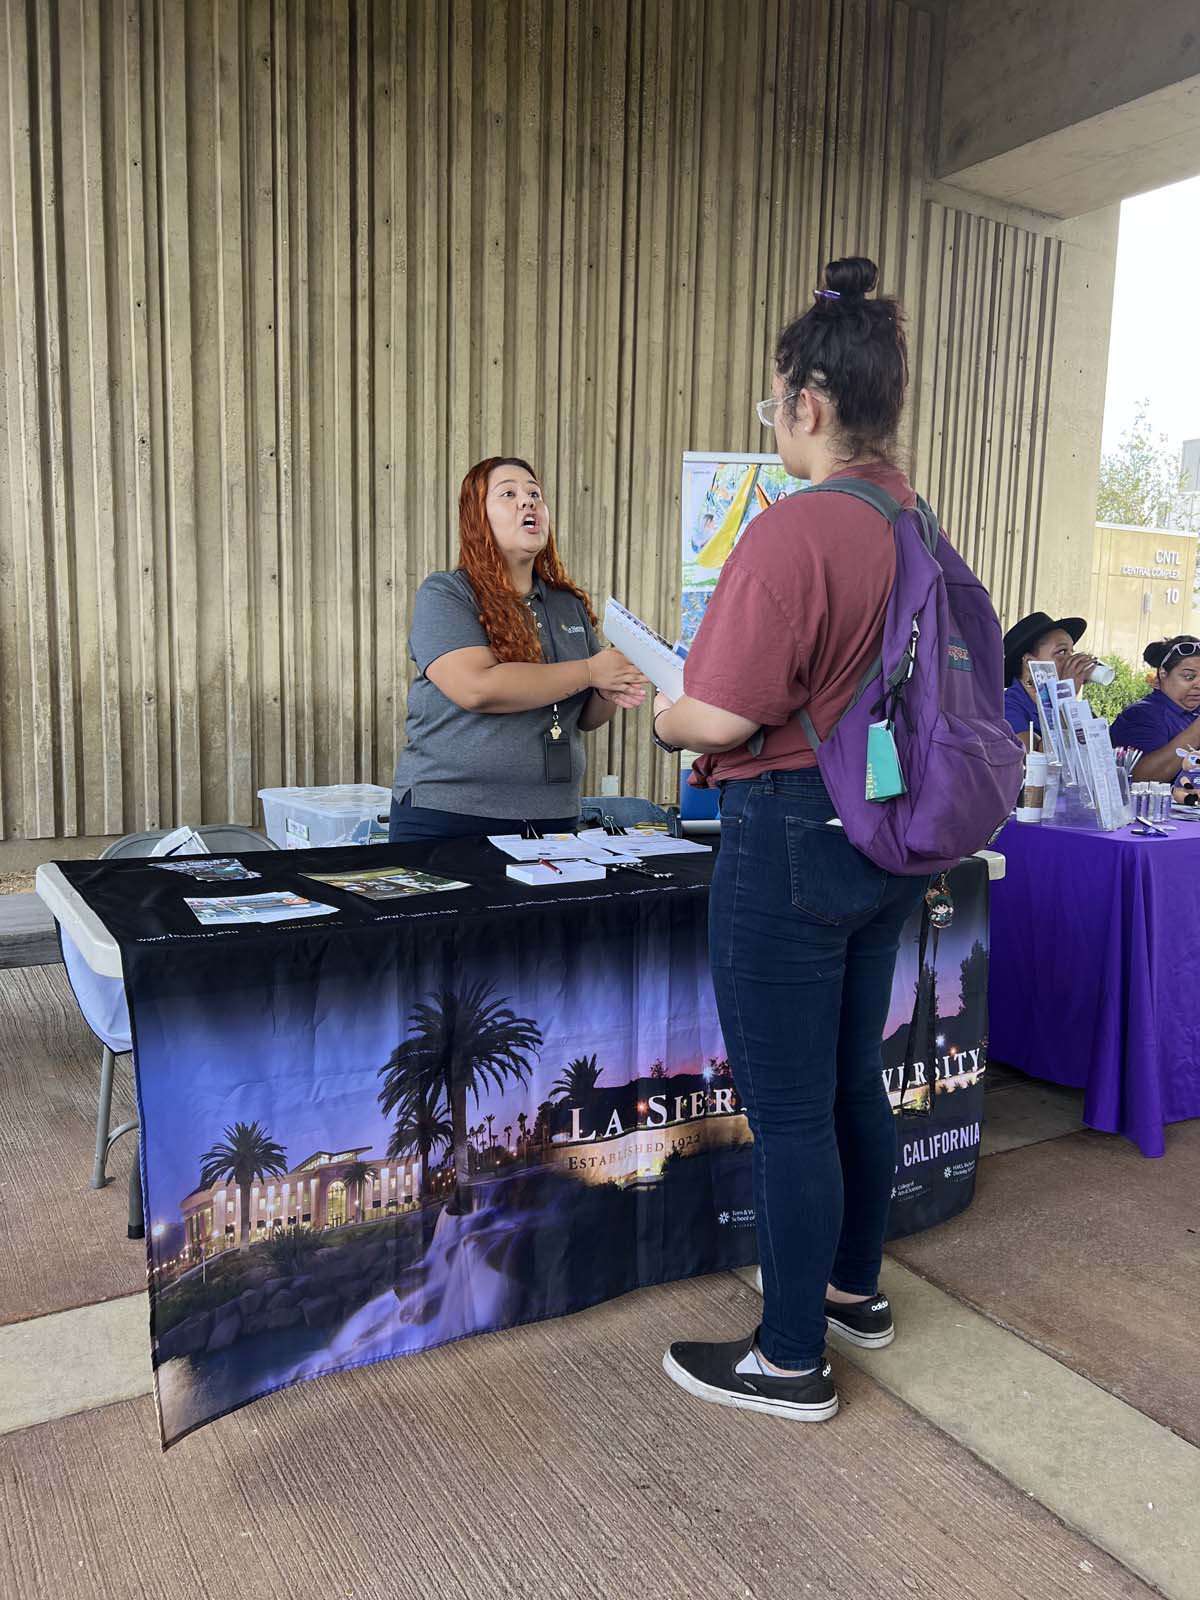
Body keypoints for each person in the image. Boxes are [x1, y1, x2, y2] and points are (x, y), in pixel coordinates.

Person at [651, 256, 936, 1424]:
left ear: (807, 404)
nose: (773, 420)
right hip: (882, 833)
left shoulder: (794, 533)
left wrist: (669, 714)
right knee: (849, 1080)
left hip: (785, 834)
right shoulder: (909, 518)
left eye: (773, 402)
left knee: (788, 1111)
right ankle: (854, 1289)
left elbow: (717, 715)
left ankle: (789, 1359)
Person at [389, 457, 644, 841]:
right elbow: (477, 688)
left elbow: (587, 717)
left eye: (534, 494)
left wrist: (611, 686)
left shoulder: (566, 603)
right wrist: (591, 671)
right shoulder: (448, 593)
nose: (528, 502)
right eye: (508, 493)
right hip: (449, 816)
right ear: (479, 518)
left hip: (553, 819)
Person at [1110, 636, 1200, 782]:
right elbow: (1141, 779)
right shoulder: (1141, 715)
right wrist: (1196, 733)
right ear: (1163, 674)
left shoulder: (1193, 712)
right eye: (1189, 677)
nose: (1198, 685)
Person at [1001, 612, 1098, 744]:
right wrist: (1065, 696)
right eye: (1062, 652)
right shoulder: (1007, 707)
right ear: (1030, 663)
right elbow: (1031, 756)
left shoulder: (1067, 703)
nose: (1071, 660)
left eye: (1072, 652)